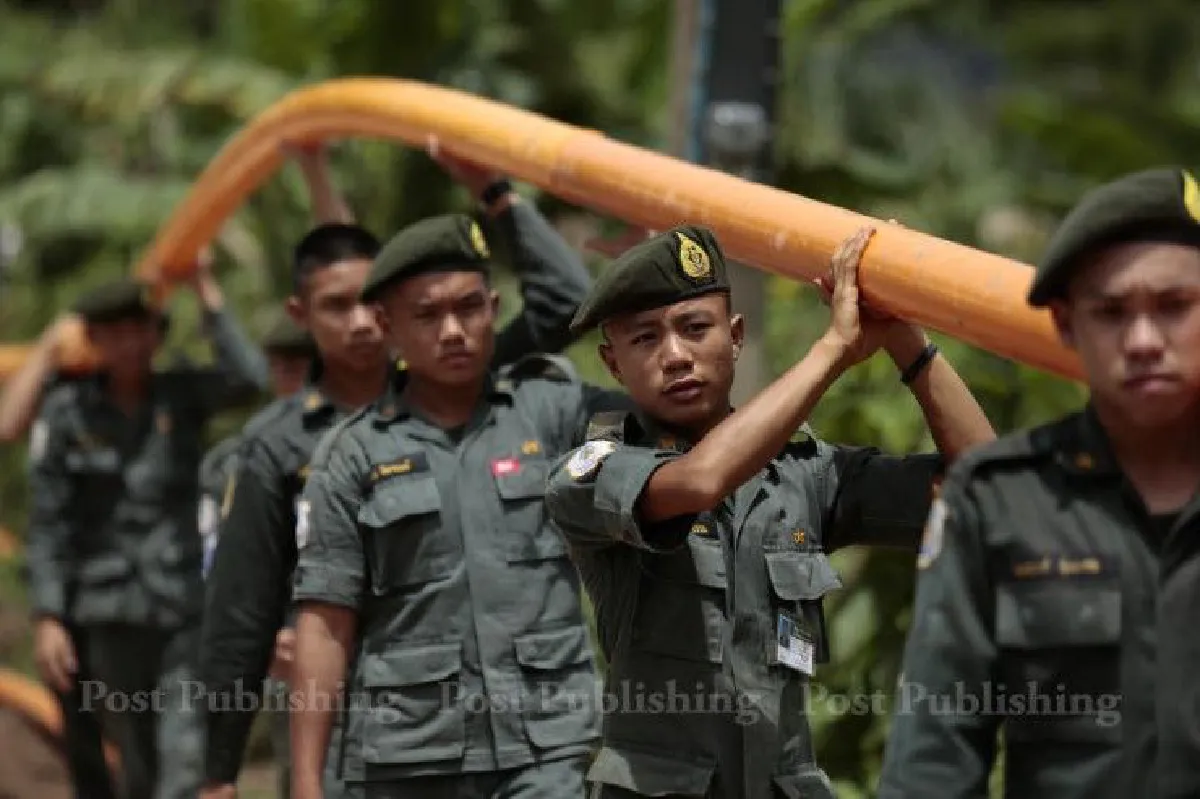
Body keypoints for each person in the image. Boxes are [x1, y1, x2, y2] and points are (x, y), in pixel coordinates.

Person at [202, 141, 599, 799]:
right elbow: (244, 610)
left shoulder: (478, 384)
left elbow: (567, 303)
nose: (359, 322)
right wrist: (221, 767)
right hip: (372, 729)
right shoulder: (285, 445)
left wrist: (498, 197)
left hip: (518, 728)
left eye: (368, 302)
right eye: (338, 306)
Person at [542, 224, 995, 798]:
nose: (675, 356)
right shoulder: (592, 473)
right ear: (613, 364)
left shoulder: (805, 473)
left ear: (735, 337)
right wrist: (833, 350)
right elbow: (700, 480)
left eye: (695, 328)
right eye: (645, 339)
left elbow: (985, 490)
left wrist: (904, 339)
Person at [286, 185, 635, 799]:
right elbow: (325, 624)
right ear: (388, 327)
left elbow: (667, 420)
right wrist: (308, 782)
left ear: (493, 308)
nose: (453, 331)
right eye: (427, 315)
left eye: (469, 308)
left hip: (547, 746)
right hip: (414, 757)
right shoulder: (352, 453)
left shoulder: (551, 412)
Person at [876, 167, 1200, 799]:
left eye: (1174, 306)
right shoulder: (1002, 501)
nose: (1142, 341)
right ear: (1067, 325)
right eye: (1110, 312)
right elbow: (933, 763)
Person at [25, 261, 268, 799]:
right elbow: (48, 523)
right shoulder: (68, 413)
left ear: (157, 336)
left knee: (185, 755)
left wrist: (206, 291)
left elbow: (251, 379)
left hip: (183, 604)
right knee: (137, 763)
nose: (130, 344)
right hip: (109, 612)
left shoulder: (180, 396)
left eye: (140, 330)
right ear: (93, 340)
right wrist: (48, 616)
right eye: (114, 333)